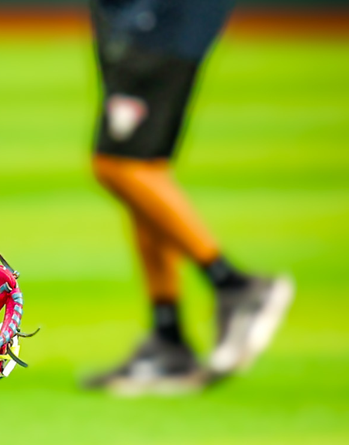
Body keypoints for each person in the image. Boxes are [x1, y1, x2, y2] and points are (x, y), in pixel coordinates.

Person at [84, 0, 294, 394]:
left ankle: (235, 285)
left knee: (116, 164)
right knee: (144, 167)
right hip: (141, 16)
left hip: (159, 15)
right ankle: (169, 339)